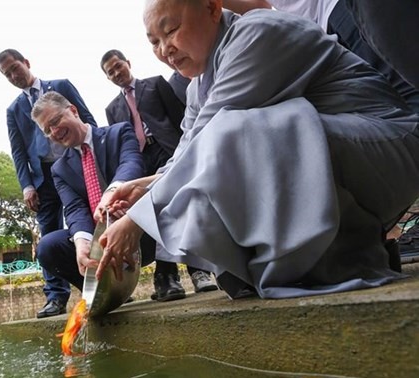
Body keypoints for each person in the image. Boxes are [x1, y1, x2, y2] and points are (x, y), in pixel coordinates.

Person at [94, 0, 419, 300]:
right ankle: (338, 254)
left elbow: (213, 136)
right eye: (154, 42)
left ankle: (340, 257)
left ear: (210, 8)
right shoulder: (197, 87)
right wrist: (136, 188)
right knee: (203, 171)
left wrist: (135, 220)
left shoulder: (255, 33)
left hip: (394, 149)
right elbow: (185, 153)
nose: (165, 49)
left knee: (237, 134)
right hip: (344, 156)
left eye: (171, 30)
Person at [100, 49, 217, 300]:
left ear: (127, 63)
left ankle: (200, 271)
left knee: (181, 204)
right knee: (151, 211)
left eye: (118, 66)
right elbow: (121, 141)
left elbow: (181, 117)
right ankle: (167, 276)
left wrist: (185, 153)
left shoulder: (154, 84)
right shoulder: (112, 108)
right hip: (141, 161)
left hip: (169, 151)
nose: (116, 73)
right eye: (110, 72)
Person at [0, 48, 97, 318]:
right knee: (48, 233)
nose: (14, 75)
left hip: (75, 165)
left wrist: (96, 154)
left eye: (15, 68)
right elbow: (18, 150)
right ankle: (55, 296)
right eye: (7, 75)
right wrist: (27, 185)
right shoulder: (14, 110)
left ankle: (104, 280)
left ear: (26, 63)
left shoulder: (61, 86)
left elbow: (86, 118)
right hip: (44, 176)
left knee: (88, 222)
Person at [30, 91, 156, 295]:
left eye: (55, 120)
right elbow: (74, 208)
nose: (54, 131)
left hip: (136, 228)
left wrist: (112, 192)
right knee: (48, 246)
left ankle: (167, 277)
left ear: (73, 110)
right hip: (99, 241)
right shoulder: (59, 169)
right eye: (47, 130)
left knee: (162, 206)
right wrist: (82, 242)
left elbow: (131, 164)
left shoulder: (119, 132)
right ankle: (101, 293)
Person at [223, 0, 419, 114]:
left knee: (407, 90)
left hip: (340, 9)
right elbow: (260, 5)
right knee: (400, 99)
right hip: (327, 27)